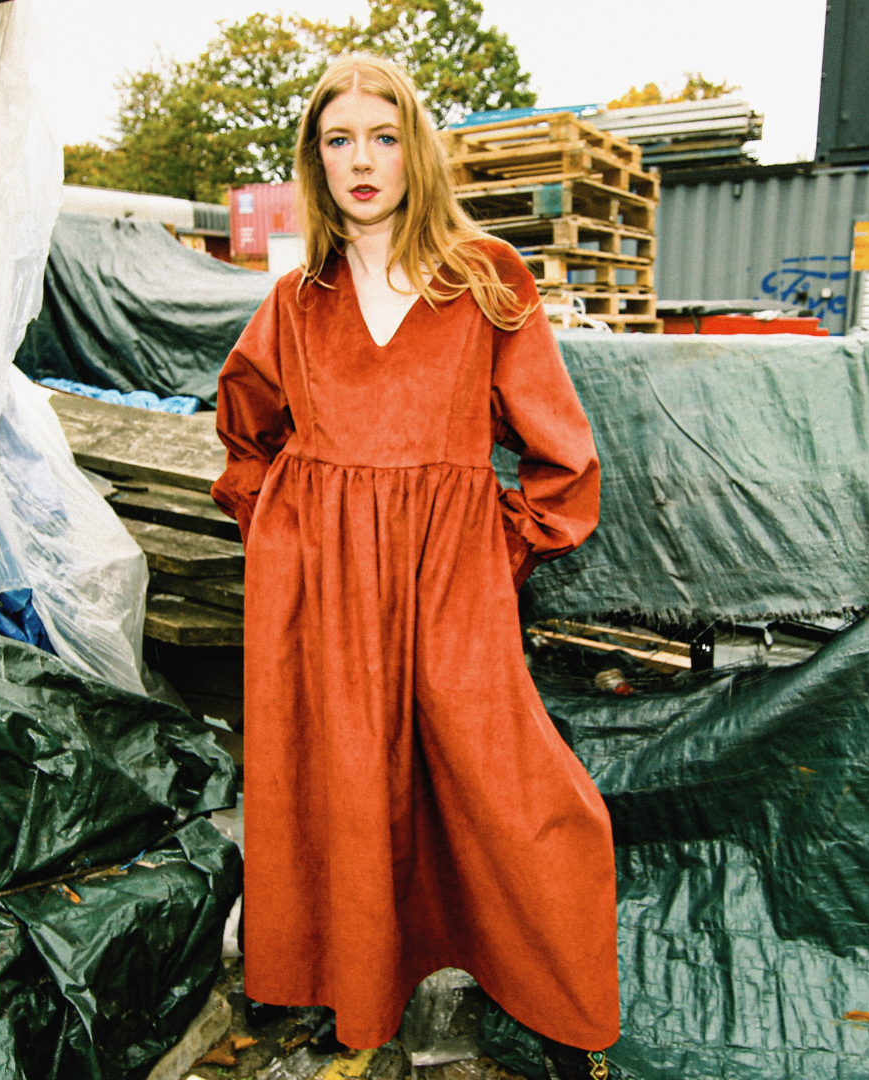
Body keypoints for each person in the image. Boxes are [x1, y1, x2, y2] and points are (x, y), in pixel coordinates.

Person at [210, 53, 619, 1080]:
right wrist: (285, 534)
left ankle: (561, 1001)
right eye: (339, 139)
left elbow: (563, 456)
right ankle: (353, 993)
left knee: (511, 782)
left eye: (384, 138)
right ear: (315, 156)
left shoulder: (484, 275)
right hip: (324, 595)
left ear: (417, 151)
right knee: (341, 787)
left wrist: (497, 546)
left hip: (450, 581)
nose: (362, 160)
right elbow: (245, 425)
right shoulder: (299, 298)